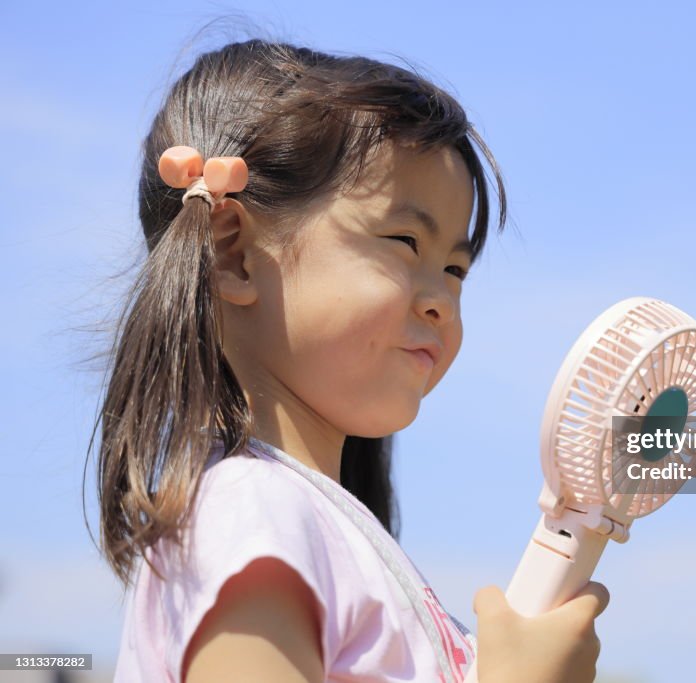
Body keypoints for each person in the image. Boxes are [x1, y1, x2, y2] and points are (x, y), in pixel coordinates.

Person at [93, 38, 609, 682]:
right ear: (233, 254)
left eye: (454, 269)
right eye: (404, 241)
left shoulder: (304, 521)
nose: (442, 301)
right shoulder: (253, 514)